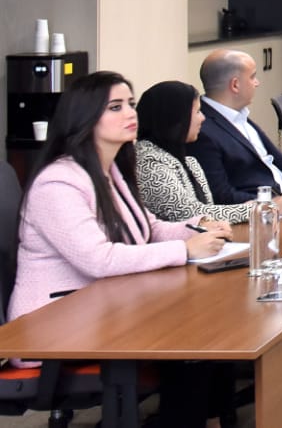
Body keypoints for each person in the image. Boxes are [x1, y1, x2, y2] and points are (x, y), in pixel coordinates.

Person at [10, 71, 233, 427]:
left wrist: (199, 227)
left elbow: (149, 227)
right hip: (53, 324)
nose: (130, 113)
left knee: (209, 325)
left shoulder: (109, 171)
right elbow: (99, 259)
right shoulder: (58, 182)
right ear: (84, 117)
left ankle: (201, 417)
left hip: (105, 306)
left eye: (131, 103)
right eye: (115, 107)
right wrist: (186, 250)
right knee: (192, 337)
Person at [136, 80, 282, 224]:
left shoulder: (187, 159)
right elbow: (188, 214)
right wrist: (263, 208)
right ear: (176, 119)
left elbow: (208, 211)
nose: (203, 118)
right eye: (197, 112)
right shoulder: (150, 163)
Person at [190, 49, 282, 204]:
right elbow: (221, 196)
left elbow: (276, 166)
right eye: (252, 77)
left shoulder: (238, 115)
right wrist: (271, 204)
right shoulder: (202, 131)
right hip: (263, 210)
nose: (257, 83)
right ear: (235, 85)